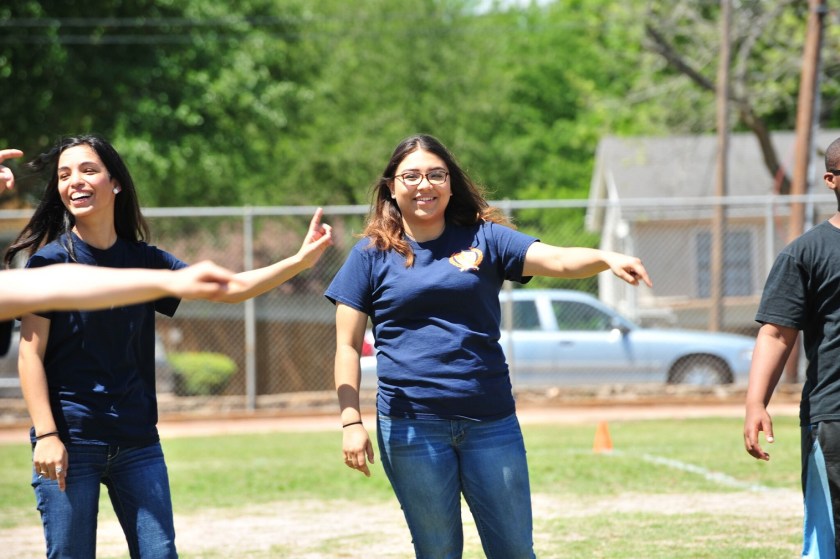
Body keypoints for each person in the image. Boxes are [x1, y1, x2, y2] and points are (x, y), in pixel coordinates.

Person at [4, 135, 333, 559]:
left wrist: (299, 261)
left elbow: (230, 288)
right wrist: (48, 435)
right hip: (71, 439)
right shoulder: (49, 262)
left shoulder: (146, 260)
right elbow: (30, 355)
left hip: (137, 440)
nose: (74, 182)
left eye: (88, 170)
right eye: (64, 175)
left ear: (115, 183)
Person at [325, 133, 652, 558]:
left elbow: (556, 259)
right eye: (412, 176)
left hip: (490, 422)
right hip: (411, 427)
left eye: (436, 174)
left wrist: (606, 258)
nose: (425, 185)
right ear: (391, 186)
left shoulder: (486, 238)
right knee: (438, 551)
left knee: (514, 550)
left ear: (451, 183)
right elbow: (347, 346)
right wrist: (350, 421)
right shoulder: (369, 256)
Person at [744, 136, 840, 557]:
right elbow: (777, 333)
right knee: (829, 541)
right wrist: (755, 403)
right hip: (834, 416)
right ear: (831, 180)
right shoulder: (806, 253)